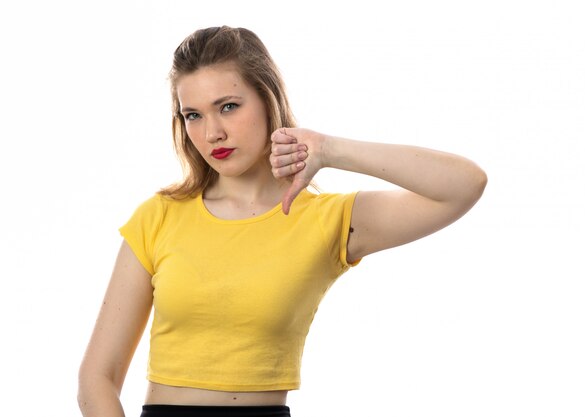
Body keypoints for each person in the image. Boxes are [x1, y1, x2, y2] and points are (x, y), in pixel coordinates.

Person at [77, 26, 487, 417]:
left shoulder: (327, 220)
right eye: (193, 115)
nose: (212, 133)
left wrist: (329, 149)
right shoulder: (160, 215)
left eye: (228, 107)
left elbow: (463, 185)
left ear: (268, 100)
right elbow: (97, 378)